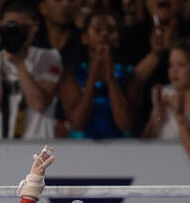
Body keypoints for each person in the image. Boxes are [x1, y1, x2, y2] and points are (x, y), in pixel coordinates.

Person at [0, 0, 61, 140]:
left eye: (23, 28)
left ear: (35, 26)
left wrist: (20, 63)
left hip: (37, 150)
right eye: (11, 27)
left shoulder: (49, 57)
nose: (16, 33)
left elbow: (39, 104)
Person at [57, 8, 139, 139]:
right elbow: (77, 123)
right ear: (85, 38)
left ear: (117, 39)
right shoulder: (70, 74)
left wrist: (111, 78)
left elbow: (125, 125)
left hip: (121, 150)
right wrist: (93, 75)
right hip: (81, 150)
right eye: (98, 30)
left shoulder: (129, 74)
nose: (105, 34)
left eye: (111, 30)